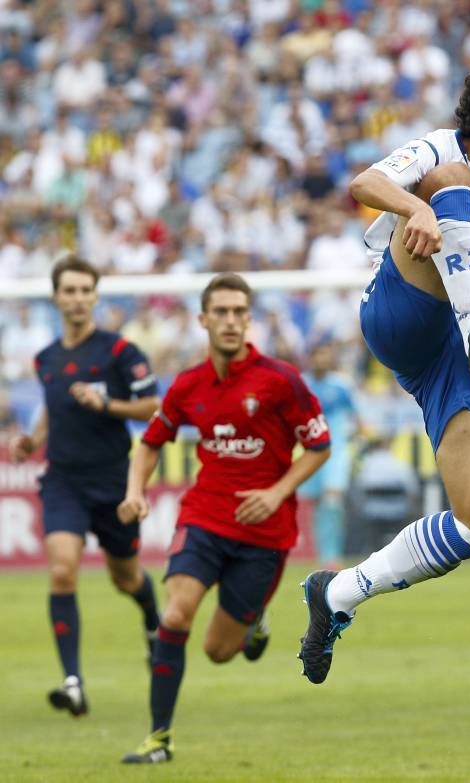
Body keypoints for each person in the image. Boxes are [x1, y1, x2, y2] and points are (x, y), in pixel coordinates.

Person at [298, 58, 470, 684]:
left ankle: (338, 594)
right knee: (446, 183)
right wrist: (414, 208)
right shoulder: (442, 149)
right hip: (402, 309)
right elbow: (366, 183)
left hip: (453, 355)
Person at [118, 273, 331, 764]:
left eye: (240, 312)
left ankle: (254, 624)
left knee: (217, 650)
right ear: (203, 320)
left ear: (248, 320)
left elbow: (319, 446)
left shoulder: (280, 380)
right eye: (222, 312)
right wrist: (135, 492)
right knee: (174, 615)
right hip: (206, 517)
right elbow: (150, 442)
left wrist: (277, 493)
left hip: (265, 533)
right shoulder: (188, 386)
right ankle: (158, 739)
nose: (231, 321)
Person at [9, 255, 161, 716]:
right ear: (55, 297)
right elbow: (54, 408)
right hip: (63, 480)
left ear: (95, 296)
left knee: (126, 577)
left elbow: (152, 406)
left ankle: (153, 624)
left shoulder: (118, 352)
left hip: (113, 481)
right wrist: (32, 439)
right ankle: (72, 681)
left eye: (84, 290)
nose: (76, 298)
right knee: (61, 570)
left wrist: (106, 403)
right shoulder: (45, 358)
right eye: (68, 290)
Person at [297, 338, 360, 569]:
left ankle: (332, 556)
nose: (320, 359)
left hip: (336, 452)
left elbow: (358, 417)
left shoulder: (341, 385)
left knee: (332, 501)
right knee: (315, 505)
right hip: (310, 451)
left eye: (324, 354)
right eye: (316, 355)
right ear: (310, 358)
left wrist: (357, 441)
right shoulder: (301, 385)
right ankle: (323, 555)